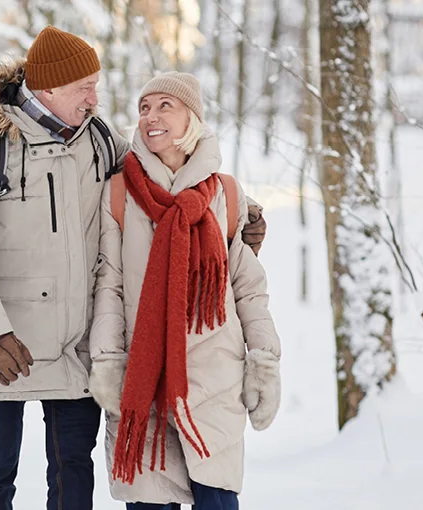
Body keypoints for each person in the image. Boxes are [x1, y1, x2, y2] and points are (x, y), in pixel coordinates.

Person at [0, 26, 266, 510]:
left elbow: (167, 173)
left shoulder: (97, 140)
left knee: (73, 475)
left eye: (96, 84)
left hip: (75, 344)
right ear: (48, 89)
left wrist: (243, 211)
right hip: (5, 345)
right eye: (84, 88)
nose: (96, 97)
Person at [86, 72, 283, 510]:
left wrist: (265, 359)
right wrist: (107, 360)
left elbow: (248, 288)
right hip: (146, 380)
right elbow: (110, 285)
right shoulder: (120, 193)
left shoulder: (225, 193)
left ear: (191, 117)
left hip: (215, 380)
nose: (150, 117)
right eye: (143, 108)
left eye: (164, 107)